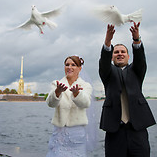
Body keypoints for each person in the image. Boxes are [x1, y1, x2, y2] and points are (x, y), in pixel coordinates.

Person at [99, 22, 156, 157]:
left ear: (128, 56)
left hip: (137, 129)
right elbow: (104, 62)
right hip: (115, 130)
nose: (120, 54)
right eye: (116, 52)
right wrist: (108, 41)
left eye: (123, 52)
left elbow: (140, 59)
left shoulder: (136, 70)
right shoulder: (107, 72)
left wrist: (136, 40)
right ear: (112, 56)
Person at [46, 55, 93, 157]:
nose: (69, 67)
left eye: (73, 65)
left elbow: (86, 103)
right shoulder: (56, 84)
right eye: (67, 65)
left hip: (77, 133)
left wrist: (77, 94)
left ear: (79, 68)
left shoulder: (85, 86)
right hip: (59, 132)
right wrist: (57, 92)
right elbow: (50, 104)